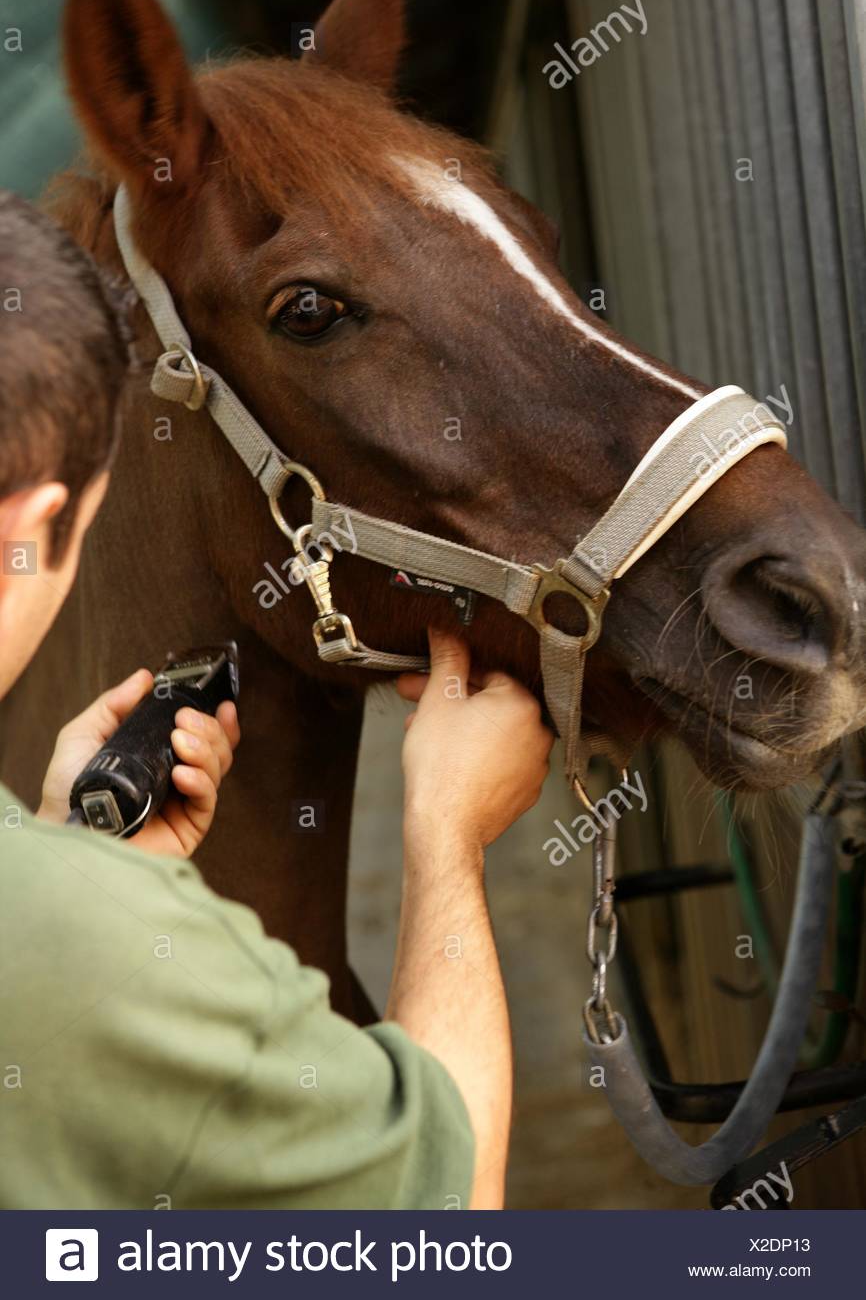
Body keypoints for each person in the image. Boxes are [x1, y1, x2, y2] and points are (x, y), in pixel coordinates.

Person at [0, 193, 553, 1210]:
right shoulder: (67, 937)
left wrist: (50, 841)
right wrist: (447, 833)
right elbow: (438, 1220)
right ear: (31, 528)